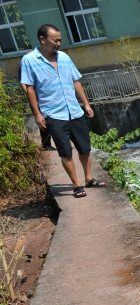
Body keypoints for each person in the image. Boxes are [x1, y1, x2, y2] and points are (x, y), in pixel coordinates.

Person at [20, 23, 106, 198]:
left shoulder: (65, 57)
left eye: (60, 40)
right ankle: (76, 185)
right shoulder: (29, 60)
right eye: (55, 40)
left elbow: (76, 82)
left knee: (85, 148)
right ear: (43, 39)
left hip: (74, 110)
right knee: (65, 151)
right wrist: (37, 114)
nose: (59, 43)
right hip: (54, 114)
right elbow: (29, 89)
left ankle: (89, 178)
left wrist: (86, 104)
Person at [17, 63, 54, 151]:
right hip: (36, 99)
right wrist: (31, 95)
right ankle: (46, 144)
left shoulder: (38, 66)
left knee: (51, 118)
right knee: (43, 120)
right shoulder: (23, 68)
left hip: (45, 97)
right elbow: (23, 84)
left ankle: (51, 143)